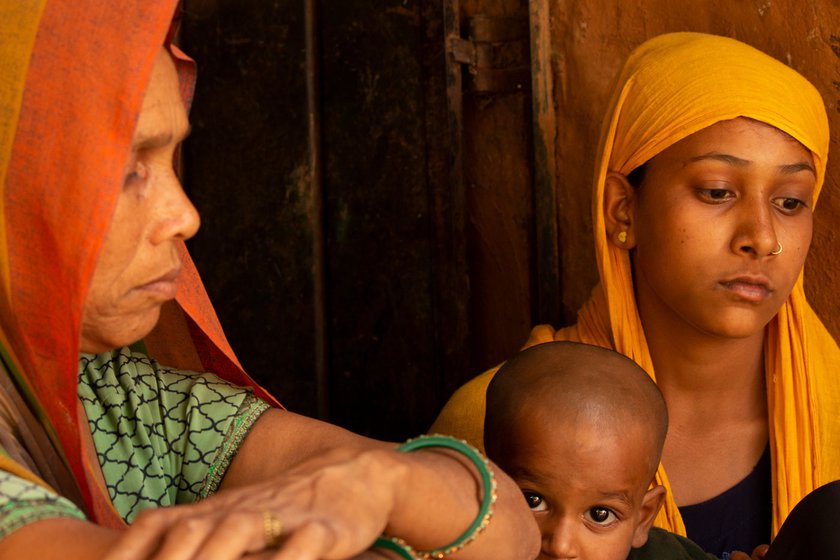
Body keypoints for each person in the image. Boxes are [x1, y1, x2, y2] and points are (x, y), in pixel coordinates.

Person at [0, 2, 539, 559]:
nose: (185, 216)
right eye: (130, 168)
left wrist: (379, 485)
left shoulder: (123, 400)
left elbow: (512, 534)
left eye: (170, 160)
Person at [431, 31, 840, 557]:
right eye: (717, 191)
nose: (761, 237)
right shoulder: (492, 423)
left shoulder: (832, 411)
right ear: (624, 209)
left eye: (789, 202)